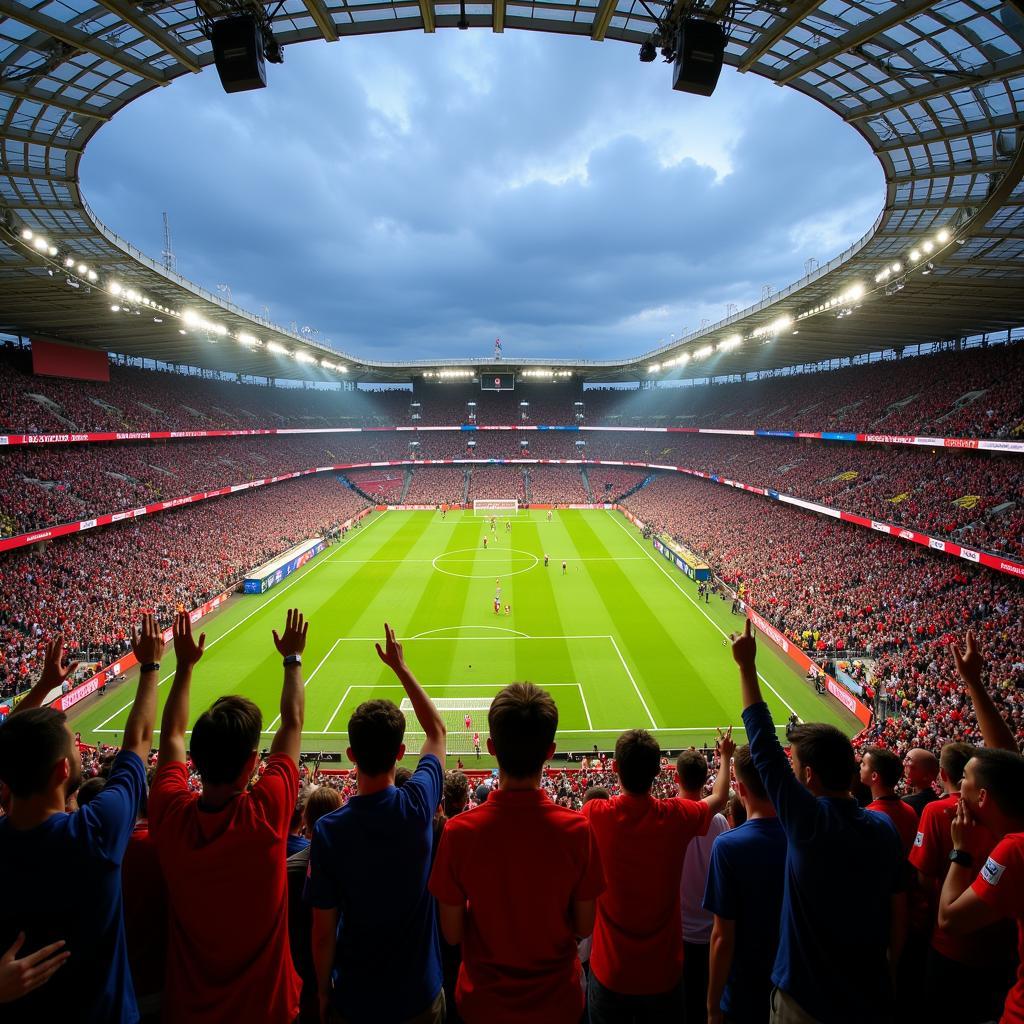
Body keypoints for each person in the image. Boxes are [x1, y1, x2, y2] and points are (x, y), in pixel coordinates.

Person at [731, 620, 903, 1024]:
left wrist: (745, 667)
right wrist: (891, 970)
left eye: (795, 767)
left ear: (809, 776)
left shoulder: (807, 823)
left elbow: (763, 745)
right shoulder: (885, 830)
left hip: (805, 999)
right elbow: (899, 910)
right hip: (869, 993)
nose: (788, 772)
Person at [148, 609, 307, 1024]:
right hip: (267, 1009)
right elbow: (292, 721)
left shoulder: (170, 815)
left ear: (194, 762)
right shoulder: (267, 813)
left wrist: (180, 668)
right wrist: (291, 660)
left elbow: (170, 737)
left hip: (187, 1010)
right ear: (254, 762)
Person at [0, 625, 157, 1023]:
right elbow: (139, 740)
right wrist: (152, 665)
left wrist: (42, 690)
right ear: (63, 770)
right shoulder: (95, 833)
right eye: (73, 743)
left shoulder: (93, 830)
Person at [430, 683, 604, 1024]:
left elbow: (451, 933)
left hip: (482, 1004)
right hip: (559, 1003)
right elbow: (584, 924)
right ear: (550, 751)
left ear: (491, 747)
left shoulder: (459, 831)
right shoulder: (578, 830)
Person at [306, 623, 446, 1024]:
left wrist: (322, 991)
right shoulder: (418, 804)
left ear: (350, 754)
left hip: (356, 997)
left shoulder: (329, 831)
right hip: (419, 993)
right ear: (401, 752)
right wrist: (401, 668)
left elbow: (322, 931)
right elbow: (436, 731)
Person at [583, 728, 735, 1024]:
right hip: (663, 974)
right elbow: (717, 797)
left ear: (614, 767)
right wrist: (726, 758)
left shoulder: (594, 812)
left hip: (610, 973)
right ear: (657, 772)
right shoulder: (675, 816)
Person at [912, 631, 1018, 1023]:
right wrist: (974, 683)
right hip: (1002, 962)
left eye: (967, 784)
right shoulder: (1012, 819)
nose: (958, 791)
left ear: (985, 797)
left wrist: (960, 852)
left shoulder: (1011, 847)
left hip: (961, 962)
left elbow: (950, 918)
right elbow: (1009, 764)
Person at [704, 744, 787, 1024]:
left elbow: (722, 937)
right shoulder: (803, 836)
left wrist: (712, 1006)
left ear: (739, 788)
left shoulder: (728, 846)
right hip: (790, 980)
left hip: (743, 987)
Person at [677, 748, 731, 1024]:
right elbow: (720, 800)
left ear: (677, 777)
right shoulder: (720, 821)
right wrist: (725, 759)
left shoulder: (670, 818)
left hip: (680, 933)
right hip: (712, 932)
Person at [287, 786, 344, 1024]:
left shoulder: (287, 870)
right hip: (344, 976)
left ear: (307, 820)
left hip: (299, 976)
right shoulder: (354, 866)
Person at [861, 747, 920, 855]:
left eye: (864, 764)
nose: (860, 766)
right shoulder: (910, 810)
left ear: (874, 776)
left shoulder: (869, 816)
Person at [902, 747, 940, 818]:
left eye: (908, 759)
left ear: (927, 776)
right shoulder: (936, 799)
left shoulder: (906, 804)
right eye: (905, 759)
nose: (904, 764)